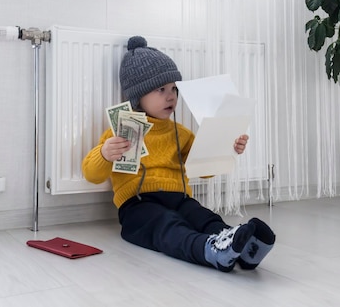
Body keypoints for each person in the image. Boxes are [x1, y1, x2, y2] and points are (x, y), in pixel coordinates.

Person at [82, 35, 275, 272]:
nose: (171, 95)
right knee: (166, 225)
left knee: (202, 216)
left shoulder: (181, 133)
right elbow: (91, 174)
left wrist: (226, 147)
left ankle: (242, 250)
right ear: (138, 95)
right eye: (161, 89)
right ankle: (209, 250)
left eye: (174, 88)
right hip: (138, 205)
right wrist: (105, 153)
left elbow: (204, 171)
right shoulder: (121, 131)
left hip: (179, 198)